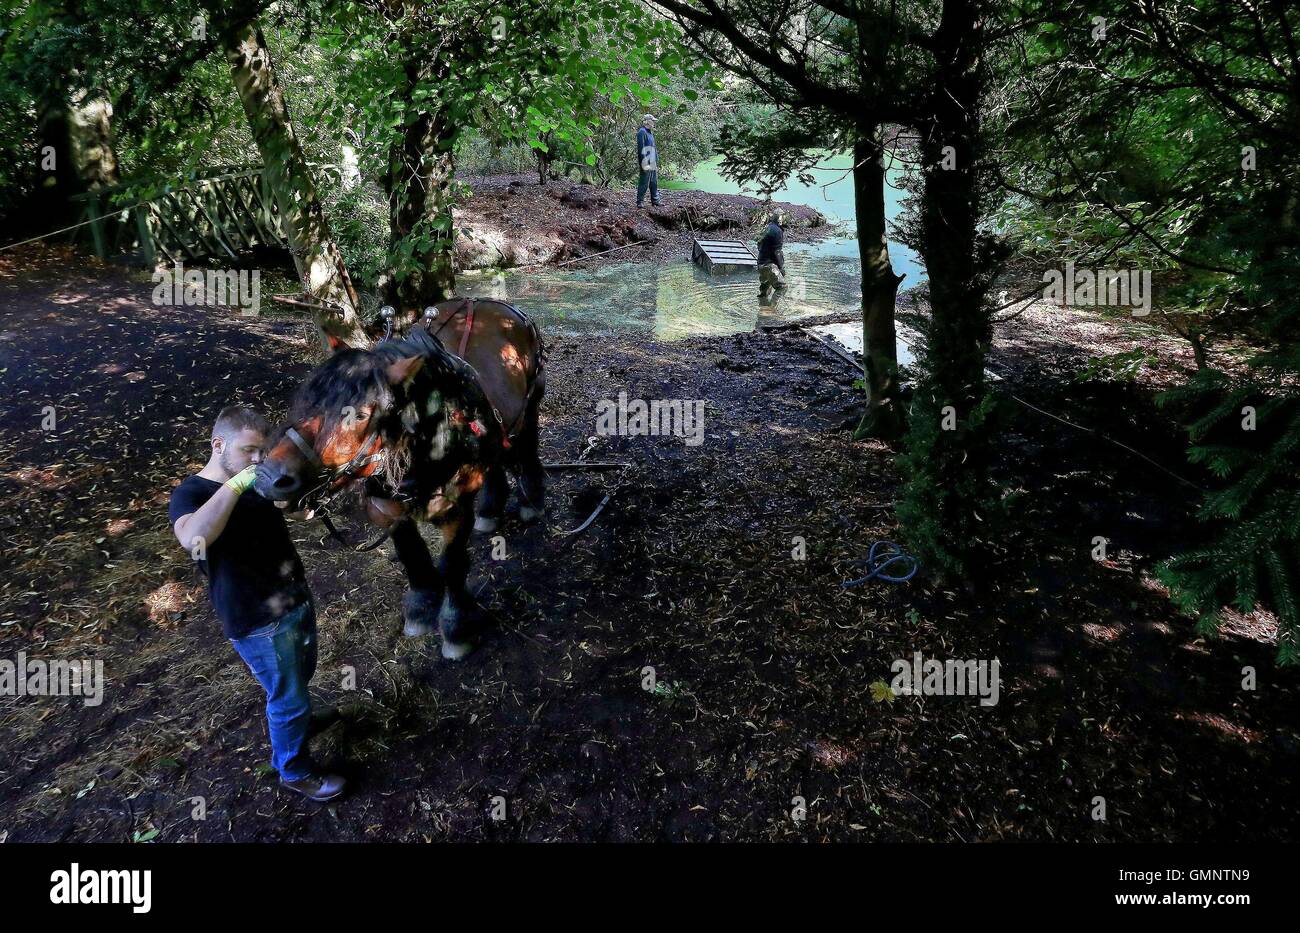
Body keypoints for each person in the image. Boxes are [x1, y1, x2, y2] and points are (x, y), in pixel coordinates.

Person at [168, 405, 344, 802]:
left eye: (262, 453)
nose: (257, 460)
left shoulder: (254, 482)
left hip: (293, 596)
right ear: (218, 444)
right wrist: (238, 484)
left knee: (302, 675)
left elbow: (281, 512)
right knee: (287, 696)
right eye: (249, 451)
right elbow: (193, 537)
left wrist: (300, 502)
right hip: (257, 618)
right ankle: (295, 771)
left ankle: (298, 721)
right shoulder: (192, 493)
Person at [757, 213, 787, 298]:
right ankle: (772, 309)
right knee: (782, 288)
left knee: (764, 292)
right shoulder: (778, 231)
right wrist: (781, 267)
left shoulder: (766, 228)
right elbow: (777, 252)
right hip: (770, 266)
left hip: (761, 264)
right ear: (779, 219)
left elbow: (759, 244)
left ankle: (762, 307)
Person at [636, 114, 662, 208]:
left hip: (652, 160)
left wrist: (656, 159)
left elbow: (653, 147)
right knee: (644, 182)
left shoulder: (650, 132)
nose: (654, 122)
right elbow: (641, 149)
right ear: (647, 121)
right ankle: (640, 201)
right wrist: (644, 162)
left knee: (653, 182)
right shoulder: (641, 132)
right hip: (646, 161)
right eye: (652, 121)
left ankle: (655, 200)